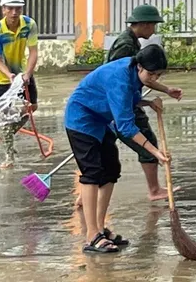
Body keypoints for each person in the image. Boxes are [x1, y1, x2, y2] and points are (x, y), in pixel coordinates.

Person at [64, 45, 171, 254]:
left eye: (158, 75)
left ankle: (101, 227)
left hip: (100, 121)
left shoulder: (134, 71)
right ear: (139, 66)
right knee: (92, 172)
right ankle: (92, 235)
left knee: (111, 169)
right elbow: (126, 126)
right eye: (151, 74)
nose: (153, 78)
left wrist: (149, 101)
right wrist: (155, 152)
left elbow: (127, 99)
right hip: (81, 120)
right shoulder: (119, 78)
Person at [106, 4, 183, 201]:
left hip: (124, 102)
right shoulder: (126, 46)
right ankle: (155, 190)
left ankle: (83, 197)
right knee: (148, 144)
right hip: (122, 104)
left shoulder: (131, 41)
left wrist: (165, 90)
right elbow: (120, 79)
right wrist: (143, 102)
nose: (154, 30)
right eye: (153, 25)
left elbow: (143, 77)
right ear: (145, 24)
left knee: (103, 150)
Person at [0, 0, 38, 168]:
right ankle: (9, 157)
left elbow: (33, 52)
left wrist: (28, 74)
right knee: (5, 117)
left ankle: (4, 132)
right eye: (10, 8)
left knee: (32, 106)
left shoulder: (29, 25)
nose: (14, 13)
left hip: (23, 72)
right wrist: (8, 75)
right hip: (2, 77)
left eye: (18, 8)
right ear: (3, 9)